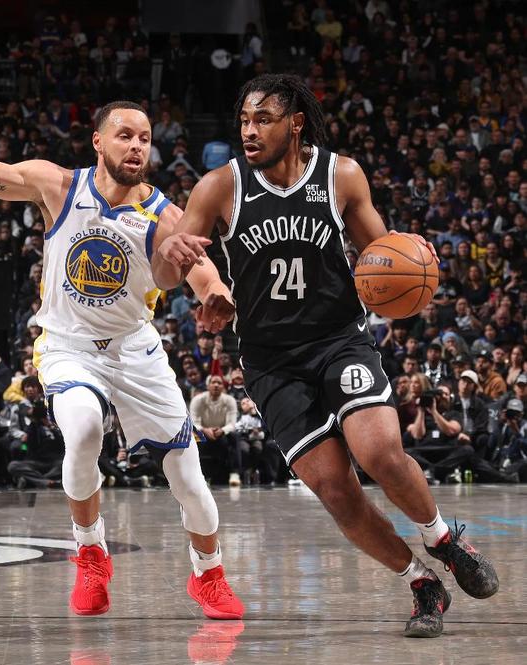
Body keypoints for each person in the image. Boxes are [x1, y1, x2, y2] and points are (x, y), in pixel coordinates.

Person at [0, 82, 243, 620]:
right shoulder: (58, 186)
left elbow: (200, 268)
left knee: (188, 479)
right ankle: (91, 553)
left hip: (136, 350)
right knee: (84, 429)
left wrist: (215, 296)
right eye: (125, 135)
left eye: (145, 138)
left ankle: (209, 573)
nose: (137, 146)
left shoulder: (165, 214)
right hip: (69, 346)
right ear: (98, 141)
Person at [152, 73, 498, 637]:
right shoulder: (219, 186)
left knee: (380, 452)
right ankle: (421, 582)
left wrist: (413, 257)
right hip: (270, 360)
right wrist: (169, 250)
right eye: (244, 120)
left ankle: (442, 539)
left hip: (339, 339)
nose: (249, 130)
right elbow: (167, 275)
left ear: (295, 124)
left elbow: (382, 255)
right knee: (336, 490)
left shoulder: (341, 175)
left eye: (263, 119)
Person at [190, 374, 241, 486]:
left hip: (221, 434)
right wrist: (205, 430)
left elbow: (232, 424)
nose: (216, 385)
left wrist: (222, 430)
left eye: (219, 383)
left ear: (223, 387)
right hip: (203, 434)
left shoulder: (230, 400)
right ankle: (196, 476)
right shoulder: (197, 400)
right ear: (208, 386)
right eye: (213, 382)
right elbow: (194, 423)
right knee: (192, 436)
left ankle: (235, 473)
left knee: (235, 436)